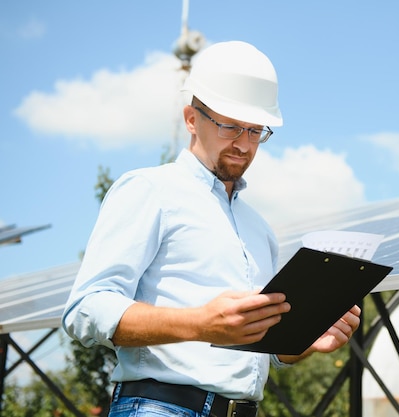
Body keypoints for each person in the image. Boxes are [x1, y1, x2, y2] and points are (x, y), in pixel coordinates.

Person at [62, 40, 361, 417]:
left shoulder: (260, 229)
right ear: (191, 118)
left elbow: (265, 354)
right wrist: (200, 323)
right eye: (231, 126)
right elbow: (86, 309)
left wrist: (304, 339)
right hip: (160, 407)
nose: (244, 144)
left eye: (256, 131)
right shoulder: (149, 190)